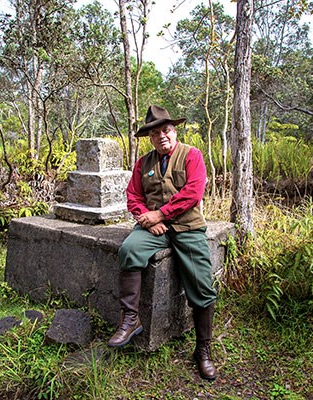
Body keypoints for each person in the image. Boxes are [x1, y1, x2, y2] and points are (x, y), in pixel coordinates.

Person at [107, 105, 217, 381]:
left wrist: (162, 213)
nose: (161, 136)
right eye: (155, 133)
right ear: (150, 137)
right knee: (130, 250)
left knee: (202, 285)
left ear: (174, 131)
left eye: (166, 130)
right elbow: (133, 195)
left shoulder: (192, 155)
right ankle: (131, 320)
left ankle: (203, 350)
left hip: (187, 225)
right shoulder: (143, 163)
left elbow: (193, 191)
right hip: (154, 226)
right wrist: (147, 218)